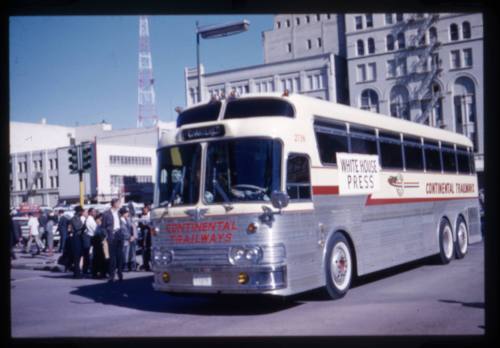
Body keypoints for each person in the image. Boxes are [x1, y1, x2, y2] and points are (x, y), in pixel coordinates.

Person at [103, 198, 123, 282]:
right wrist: (106, 235)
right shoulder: (106, 214)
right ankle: (112, 275)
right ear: (114, 203)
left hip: (119, 234)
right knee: (112, 257)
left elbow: (120, 224)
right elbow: (103, 227)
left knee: (119, 256)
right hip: (112, 235)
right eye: (118, 203)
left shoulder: (118, 213)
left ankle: (120, 273)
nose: (119, 204)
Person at [69, 206, 85, 278]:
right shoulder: (74, 218)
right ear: (78, 211)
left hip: (80, 237)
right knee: (76, 256)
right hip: (76, 237)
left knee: (79, 255)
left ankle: (77, 271)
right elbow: (77, 227)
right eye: (81, 211)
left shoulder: (78, 218)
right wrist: (84, 225)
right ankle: (76, 272)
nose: (82, 213)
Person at [91, 213, 107, 278]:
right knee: (97, 259)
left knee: (102, 259)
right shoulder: (97, 227)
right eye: (96, 220)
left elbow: (105, 235)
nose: (97, 221)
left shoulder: (101, 227)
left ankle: (102, 272)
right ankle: (97, 272)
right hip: (97, 245)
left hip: (101, 245)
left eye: (98, 219)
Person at [81, 208, 94, 276]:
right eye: (86, 212)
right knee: (86, 255)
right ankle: (85, 269)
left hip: (88, 238)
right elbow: (93, 229)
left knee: (87, 255)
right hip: (86, 238)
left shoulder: (89, 219)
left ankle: (86, 269)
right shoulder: (87, 219)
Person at [138, 205, 152, 271]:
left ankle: (152, 264)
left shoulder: (151, 215)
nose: (144, 211)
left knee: (151, 250)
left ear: (148, 209)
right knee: (144, 250)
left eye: (145, 209)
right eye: (143, 210)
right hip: (144, 235)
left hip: (150, 234)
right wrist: (143, 225)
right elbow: (139, 224)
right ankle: (146, 265)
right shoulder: (141, 216)